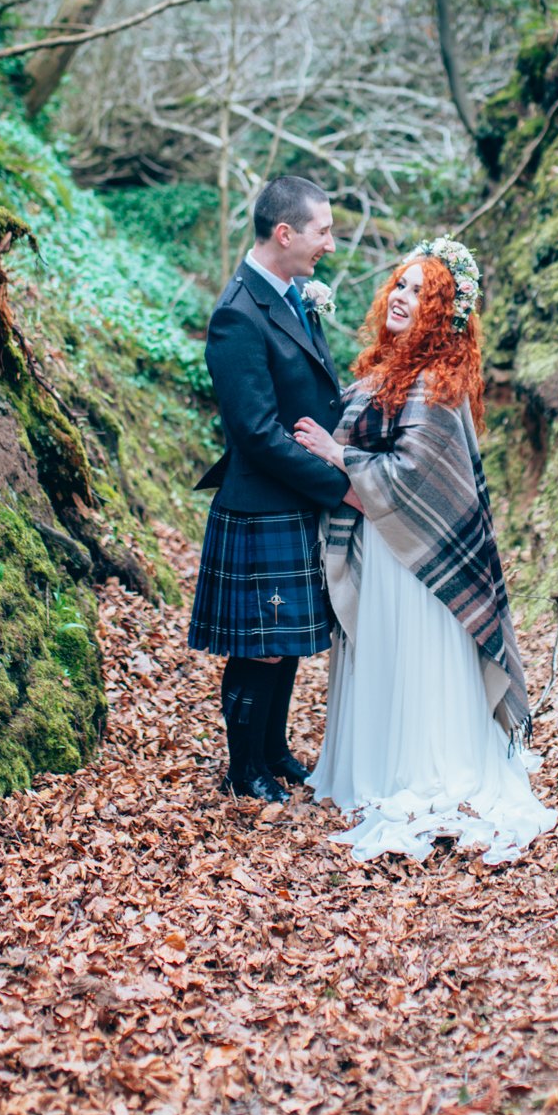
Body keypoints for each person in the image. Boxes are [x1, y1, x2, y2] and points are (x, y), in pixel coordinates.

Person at [294, 238, 557, 865]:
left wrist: (338, 458)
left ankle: (426, 775)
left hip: (420, 564)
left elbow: (416, 479)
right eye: (401, 286)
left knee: (413, 660)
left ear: (442, 312)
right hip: (384, 551)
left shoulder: (436, 382)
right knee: (383, 658)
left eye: (421, 291)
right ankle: (375, 771)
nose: (404, 298)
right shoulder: (381, 372)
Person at [189, 174, 358, 806]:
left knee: (281, 641)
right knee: (258, 646)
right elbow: (256, 433)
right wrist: (339, 485)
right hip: (263, 500)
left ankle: (274, 749)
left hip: (291, 496)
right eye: (324, 231)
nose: (331, 245)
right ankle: (244, 767)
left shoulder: (290, 293)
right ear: (284, 233)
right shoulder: (237, 315)